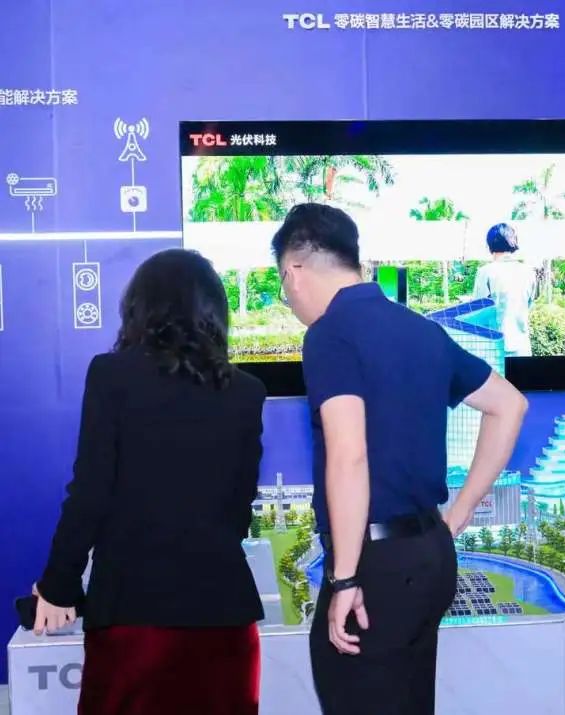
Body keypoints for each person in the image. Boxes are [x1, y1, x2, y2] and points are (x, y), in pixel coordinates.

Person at [273, 203, 528, 715]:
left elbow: (349, 456)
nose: (288, 297)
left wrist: (346, 578)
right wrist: (457, 514)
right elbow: (510, 405)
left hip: (375, 569)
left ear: (294, 271)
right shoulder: (420, 329)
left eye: (283, 283)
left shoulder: (329, 334)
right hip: (430, 555)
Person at [33, 248, 266, 715]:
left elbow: (90, 493)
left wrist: (58, 586)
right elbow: (239, 509)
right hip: (223, 616)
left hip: (133, 616)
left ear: (140, 306)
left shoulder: (111, 376)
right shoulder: (246, 391)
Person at [472, 222, 537, 357]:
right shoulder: (529, 272)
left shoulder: (485, 272)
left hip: (494, 350)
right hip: (522, 348)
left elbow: (478, 312)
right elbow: (529, 304)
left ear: (490, 244)